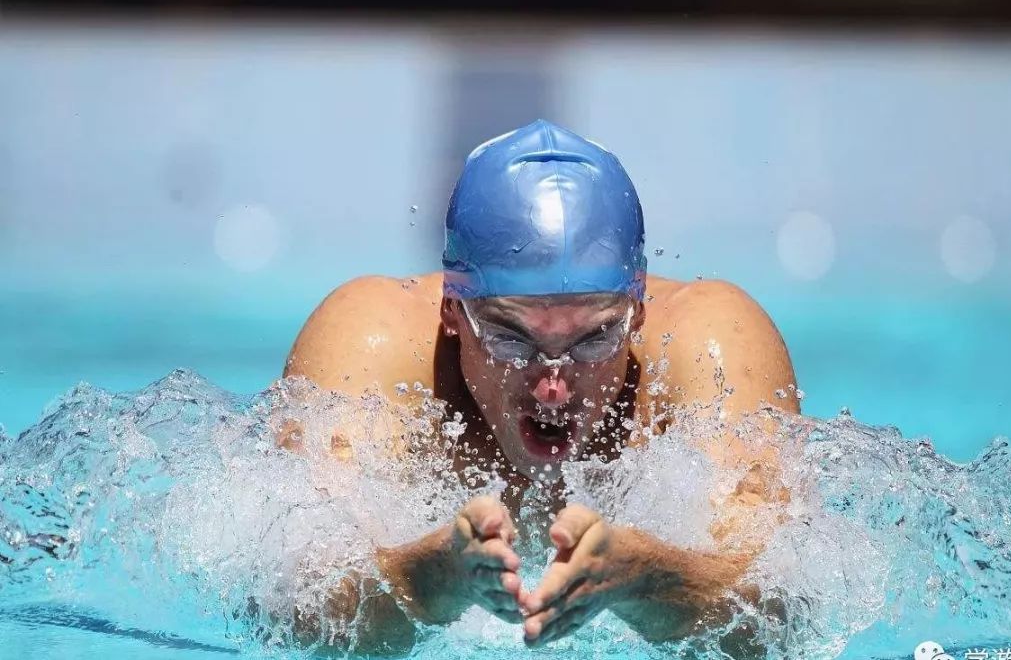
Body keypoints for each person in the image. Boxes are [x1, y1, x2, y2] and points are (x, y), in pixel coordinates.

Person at [284, 119, 800, 653]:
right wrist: (431, 576)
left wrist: (647, 575)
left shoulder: (712, 344)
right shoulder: (371, 344)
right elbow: (296, 612)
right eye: (511, 341)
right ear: (452, 313)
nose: (553, 387)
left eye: (595, 339)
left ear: (637, 315)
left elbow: (785, 616)